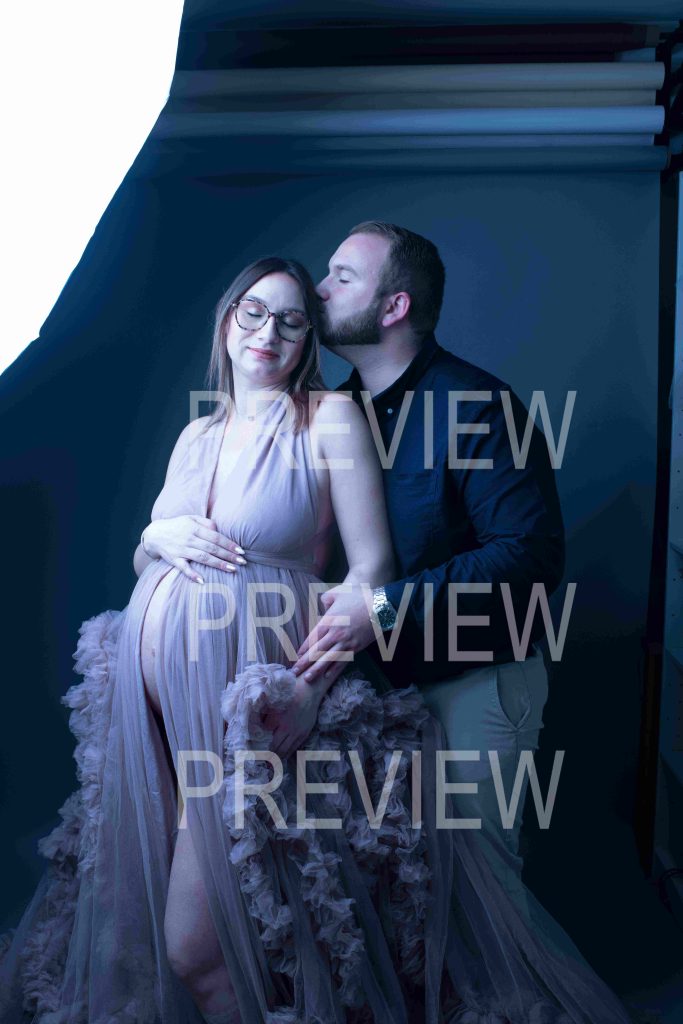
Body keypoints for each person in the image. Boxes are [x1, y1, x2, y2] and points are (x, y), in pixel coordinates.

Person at [0, 254, 637, 1024]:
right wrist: (154, 536)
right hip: (158, 723)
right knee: (147, 938)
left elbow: (372, 570)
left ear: (307, 341)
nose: (268, 331)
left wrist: (308, 686)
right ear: (227, 319)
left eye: (293, 319)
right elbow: (155, 558)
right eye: (253, 312)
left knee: (203, 945)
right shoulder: (197, 432)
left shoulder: (331, 418)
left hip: (249, 716)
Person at [290, 220, 565, 915]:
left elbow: (527, 558)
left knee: (480, 904)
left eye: (342, 276)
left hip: (474, 683)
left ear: (394, 306)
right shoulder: (334, 414)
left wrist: (380, 610)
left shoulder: (480, 407)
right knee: (394, 906)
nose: (318, 290)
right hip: (374, 694)